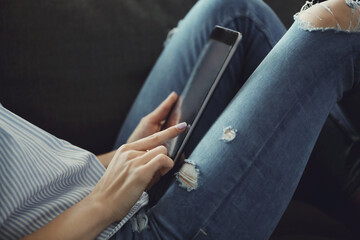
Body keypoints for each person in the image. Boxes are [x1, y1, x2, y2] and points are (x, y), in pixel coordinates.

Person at [0, 0, 359, 239]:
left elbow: (30, 185)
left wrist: (120, 156)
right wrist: (100, 205)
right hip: (110, 226)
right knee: (333, 22)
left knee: (233, 11)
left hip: (105, 183)